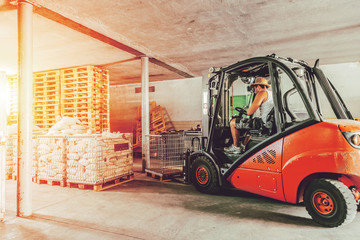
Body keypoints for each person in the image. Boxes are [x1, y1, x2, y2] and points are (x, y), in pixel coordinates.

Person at [224, 77, 273, 154]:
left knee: (233, 122)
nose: (254, 90)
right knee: (249, 126)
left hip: (262, 123)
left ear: (258, 86)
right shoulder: (271, 93)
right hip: (268, 121)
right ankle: (243, 145)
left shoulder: (261, 93)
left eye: (254, 87)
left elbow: (250, 112)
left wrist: (246, 111)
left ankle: (235, 147)